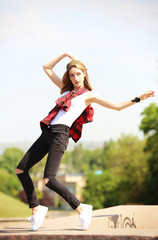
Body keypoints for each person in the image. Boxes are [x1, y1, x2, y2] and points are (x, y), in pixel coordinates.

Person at [16, 52, 155, 231]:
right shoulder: (66, 91)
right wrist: (64, 54)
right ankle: (36, 208)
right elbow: (47, 68)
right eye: (72, 75)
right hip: (48, 131)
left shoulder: (89, 95)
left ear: (84, 74)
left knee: (49, 179)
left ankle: (81, 209)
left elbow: (118, 107)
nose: (75, 78)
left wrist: (139, 98)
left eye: (78, 74)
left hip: (60, 134)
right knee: (21, 169)